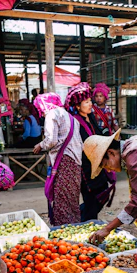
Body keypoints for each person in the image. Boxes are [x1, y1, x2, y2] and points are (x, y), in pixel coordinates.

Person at [65, 82, 117, 221]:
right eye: (86, 102)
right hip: (86, 168)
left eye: (90, 101)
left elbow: (99, 133)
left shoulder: (91, 116)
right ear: (77, 106)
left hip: (98, 163)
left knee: (102, 192)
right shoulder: (75, 122)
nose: (90, 104)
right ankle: (87, 225)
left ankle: (80, 217)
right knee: (91, 200)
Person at [33, 92, 83, 225]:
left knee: (62, 200)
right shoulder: (71, 117)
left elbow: (51, 140)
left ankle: (64, 233)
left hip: (64, 161)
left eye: (40, 109)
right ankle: (75, 227)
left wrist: (40, 145)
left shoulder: (52, 114)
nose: (41, 113)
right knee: (72, 199)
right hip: (75, 162)